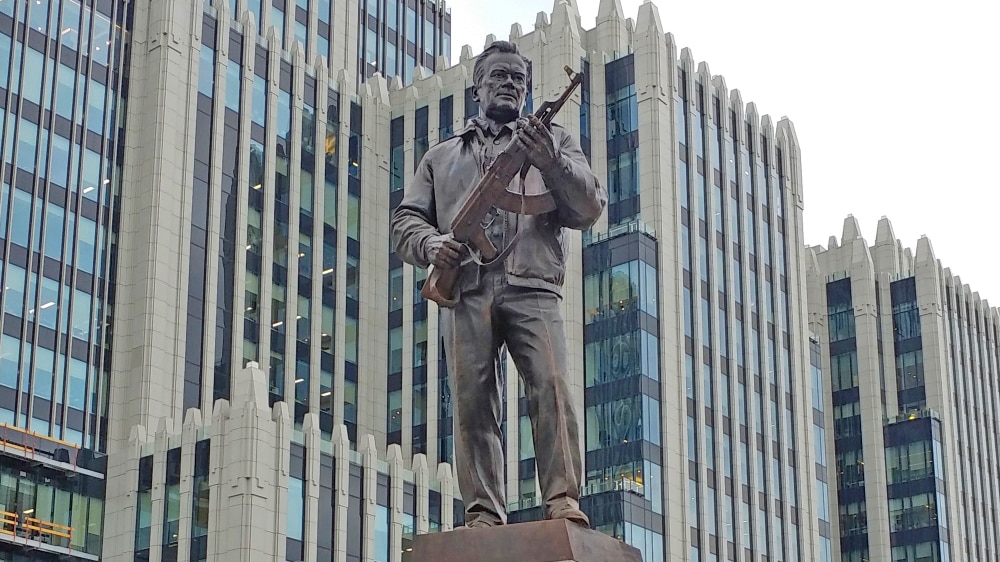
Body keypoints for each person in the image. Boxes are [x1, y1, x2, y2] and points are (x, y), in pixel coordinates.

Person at [390, 40, 607, 529]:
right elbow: (405, 220)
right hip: (468, 289)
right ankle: (483, 512)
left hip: (535, 287)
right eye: (500, 76)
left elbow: (589, 207)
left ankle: (562, 500)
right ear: (478, 87)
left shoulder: (555, 142)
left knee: (551, 387)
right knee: (472, 402)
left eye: (519, 79)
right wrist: (432, 246)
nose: (510, 85)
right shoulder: (441, 157)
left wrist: (551, 161)